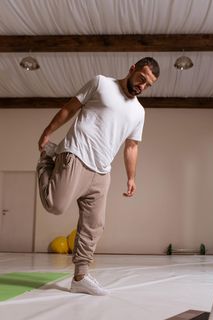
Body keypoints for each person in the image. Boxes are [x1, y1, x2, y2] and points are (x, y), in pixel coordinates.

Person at [37, 57, 160, 296]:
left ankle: (80, 277)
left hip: (103, 170)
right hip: (77, 154)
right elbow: (69, 108)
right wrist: (47, 132)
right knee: (55, 205)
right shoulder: (101, 83)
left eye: (148, 85)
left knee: (94, 226)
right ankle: (45, 161)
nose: (142, 86)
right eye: (141, 78)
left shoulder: (139, 112)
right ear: (132, 69)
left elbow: (132, 146)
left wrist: (131, 177)